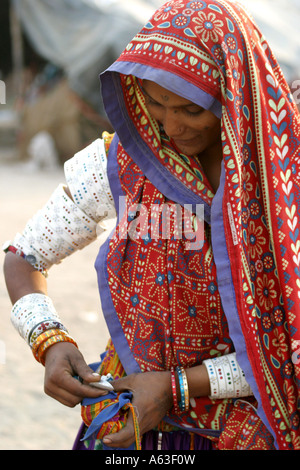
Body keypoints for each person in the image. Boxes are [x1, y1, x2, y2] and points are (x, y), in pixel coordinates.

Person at [3, 0, 300, 451]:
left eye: (191, 109)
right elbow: (24, 257)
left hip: (242, 430)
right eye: (156, 103)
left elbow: (286, 338)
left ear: (233, 96)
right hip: (128, 419)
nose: (172, 126)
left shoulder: (282, 180)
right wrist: (49, 342)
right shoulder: (124, 161)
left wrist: (178, 386)